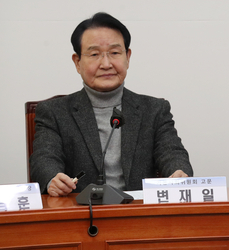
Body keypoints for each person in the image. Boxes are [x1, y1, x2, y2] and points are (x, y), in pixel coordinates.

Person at [30, 12, 193, 196]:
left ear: (128, 57)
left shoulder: (154, 110)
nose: (106, 64)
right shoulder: (54, 112)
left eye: (115, 53)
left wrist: (179, 172)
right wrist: (53, 179)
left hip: (138, 210)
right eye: (94, 54)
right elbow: (44, 159)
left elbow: (172, 153)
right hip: (81, 209)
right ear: (77, 62)